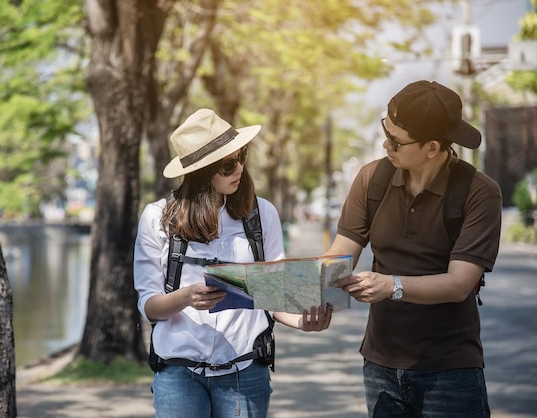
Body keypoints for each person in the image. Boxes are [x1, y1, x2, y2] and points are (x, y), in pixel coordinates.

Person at [134, 108, 332, 418]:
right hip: (178, 375)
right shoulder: (157, 218)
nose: (239, 168)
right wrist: (186, 298)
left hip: (245, 372)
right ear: (201, 172)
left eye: (242, 156)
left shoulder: (262, 214)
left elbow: (275, 294)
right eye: (228, 164)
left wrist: (303, 322)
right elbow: (148, 306)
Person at [324, 80, 502, 417]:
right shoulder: (371, 179)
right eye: (385, 131)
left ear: (432, 147)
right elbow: (339, 256)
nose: (385, 144)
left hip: (449, 371)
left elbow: (459, 283)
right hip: (379, 366)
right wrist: (295, 290)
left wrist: (391, 285)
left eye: (395, 141)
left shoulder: (479, 193)